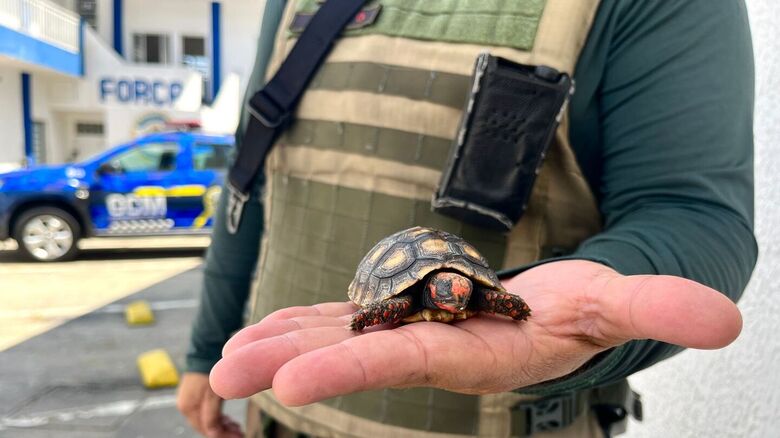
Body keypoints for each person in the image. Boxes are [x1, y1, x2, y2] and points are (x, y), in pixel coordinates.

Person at [177, 0, 757, 437]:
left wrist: (586, 304)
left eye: (460, 293)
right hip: (279, 408)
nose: (454, 300)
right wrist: (208, 350)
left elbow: (689, 210)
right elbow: (250, 174)